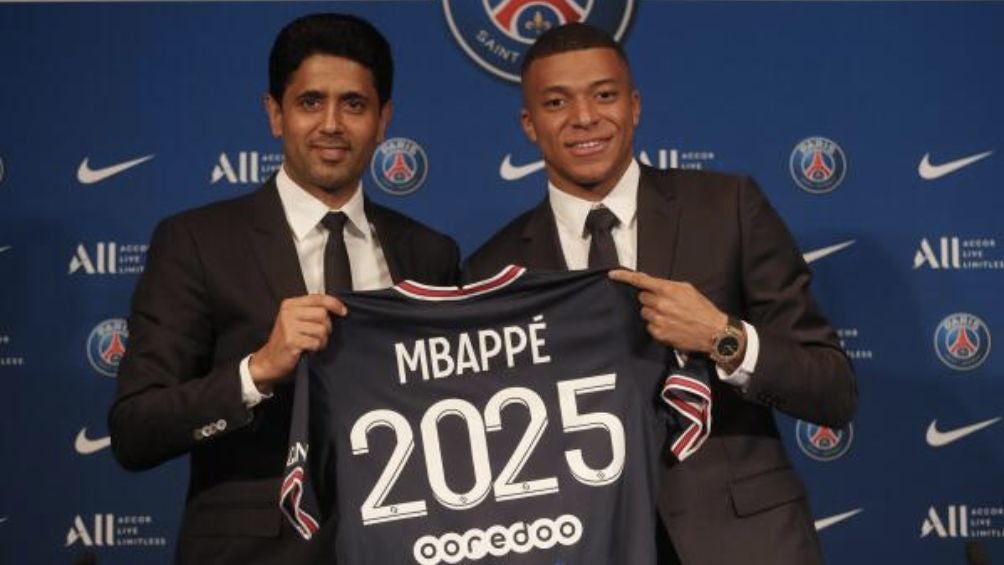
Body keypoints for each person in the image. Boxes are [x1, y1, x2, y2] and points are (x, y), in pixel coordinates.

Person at [463, 23, 856, 565]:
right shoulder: (493, 268)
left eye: (605, 95)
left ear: (635, 106)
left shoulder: (727, 208)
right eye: (556, 102)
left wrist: (723, 337)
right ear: (529, 125)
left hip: (743, 544)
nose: (584, 117)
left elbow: (832, 392)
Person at [109, 13, 459, 564]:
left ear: (383, 120)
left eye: (354, 104)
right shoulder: (197, 242)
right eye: (310, 102)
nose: (332, 124)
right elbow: (135, 431)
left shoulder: (431, 254)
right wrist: (257, 371)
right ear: (275, 114)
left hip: (402, 546)